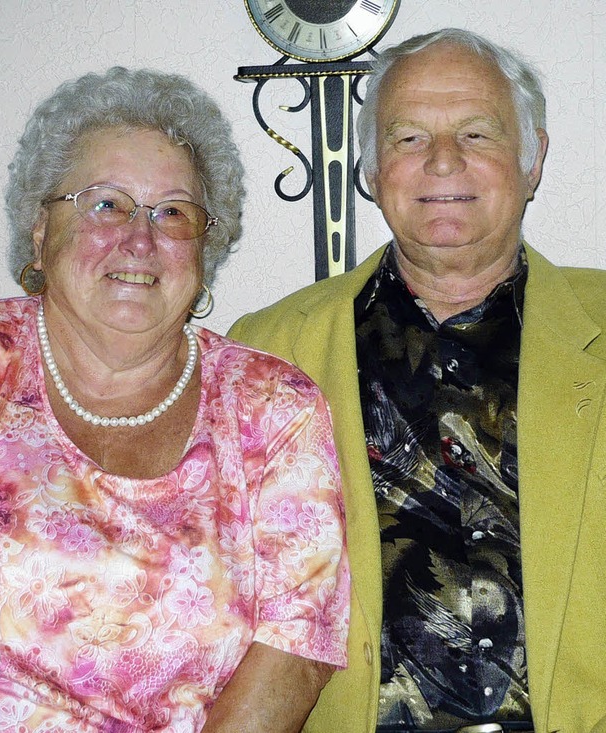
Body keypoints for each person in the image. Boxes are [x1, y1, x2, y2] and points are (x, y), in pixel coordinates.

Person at [229, 27, 606, 733]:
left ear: (533, 160)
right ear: (371, 170)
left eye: (475, 133)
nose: (441, 161)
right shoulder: (267, 351)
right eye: (407, 139)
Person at [0, 66, 350, 732]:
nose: (140, 239)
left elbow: (294, 653)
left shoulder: (272, 409)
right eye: (105, 203)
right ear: (39, 230)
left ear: (206, 244)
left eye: (172, 212)